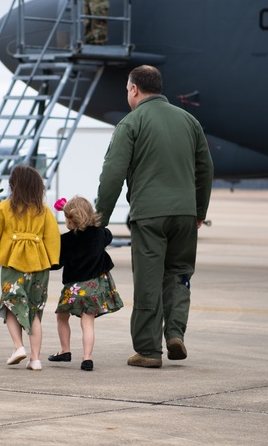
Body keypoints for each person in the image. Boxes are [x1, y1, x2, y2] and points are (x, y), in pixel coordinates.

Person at [96, 65, 214, 368]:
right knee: (179, 274)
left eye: (126, 89)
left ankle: (148, 350)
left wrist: (101, 217)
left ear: (134, 89)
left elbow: (113, 173)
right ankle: (175, 333)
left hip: (149, 214)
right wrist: (199, 211)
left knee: (149, 279)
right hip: (186, 214)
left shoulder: (131, 123)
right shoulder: (190, 121)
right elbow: (205, 169)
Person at [0, 165, 61, 371]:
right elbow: (53, 238)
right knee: (35, 311)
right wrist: (52, 260)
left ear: (14, 186)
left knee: (11, 305)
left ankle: (18, 347)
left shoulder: (5, 208)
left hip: (14, 265)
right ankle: (36, 359)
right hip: (39, 267)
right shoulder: (44, 211)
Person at [47, 196, 124, 372]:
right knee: (87, 323)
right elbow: (108, 236)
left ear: (70, 220)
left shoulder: (66, 240)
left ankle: (65, 350)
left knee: (62, 317)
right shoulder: (99, 234)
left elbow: (57, 263)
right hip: (94, 288)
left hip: (73, 289)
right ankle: (87, 358)